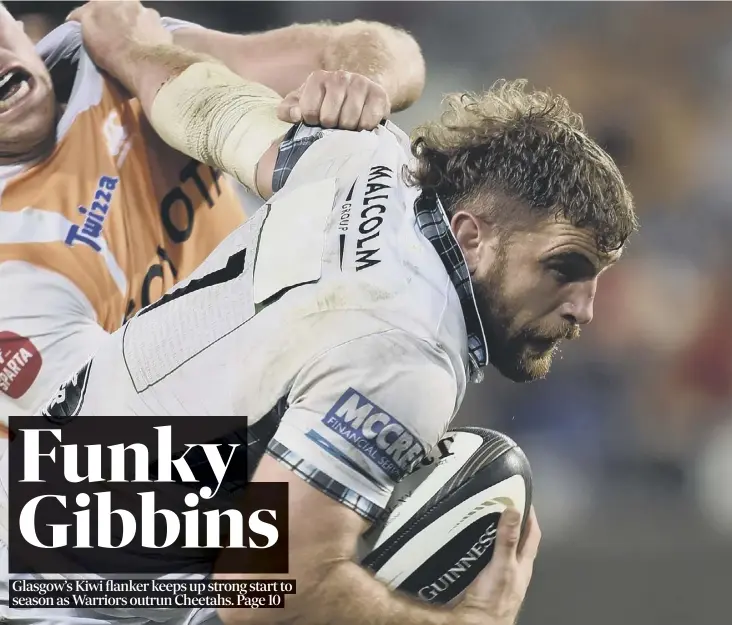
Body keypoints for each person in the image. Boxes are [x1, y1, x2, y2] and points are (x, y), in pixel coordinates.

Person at [31, 1, 638, 624]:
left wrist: (131, 43)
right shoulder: (409, 355)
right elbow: (267, 599)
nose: (585, 309)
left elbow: (204, 106)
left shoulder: (364, 156)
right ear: (473, 236)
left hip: (55, 480)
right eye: (564, 268)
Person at [0, 0, 426, 417]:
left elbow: (391, 50)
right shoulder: (13, 288)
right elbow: (136, 464)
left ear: (17, 24)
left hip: (296, 371)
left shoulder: (103, 49)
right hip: (163, 468)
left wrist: (355, 85)